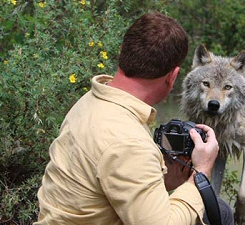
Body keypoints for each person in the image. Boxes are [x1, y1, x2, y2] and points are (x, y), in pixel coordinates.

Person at [35, 12, 233, 224]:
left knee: (217, 209)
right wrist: (201, 171)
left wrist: (169, 175)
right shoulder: (129, 142)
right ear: (172, 76)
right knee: (220, 214)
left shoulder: (92, 101)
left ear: (124, 52)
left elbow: (112, 177)